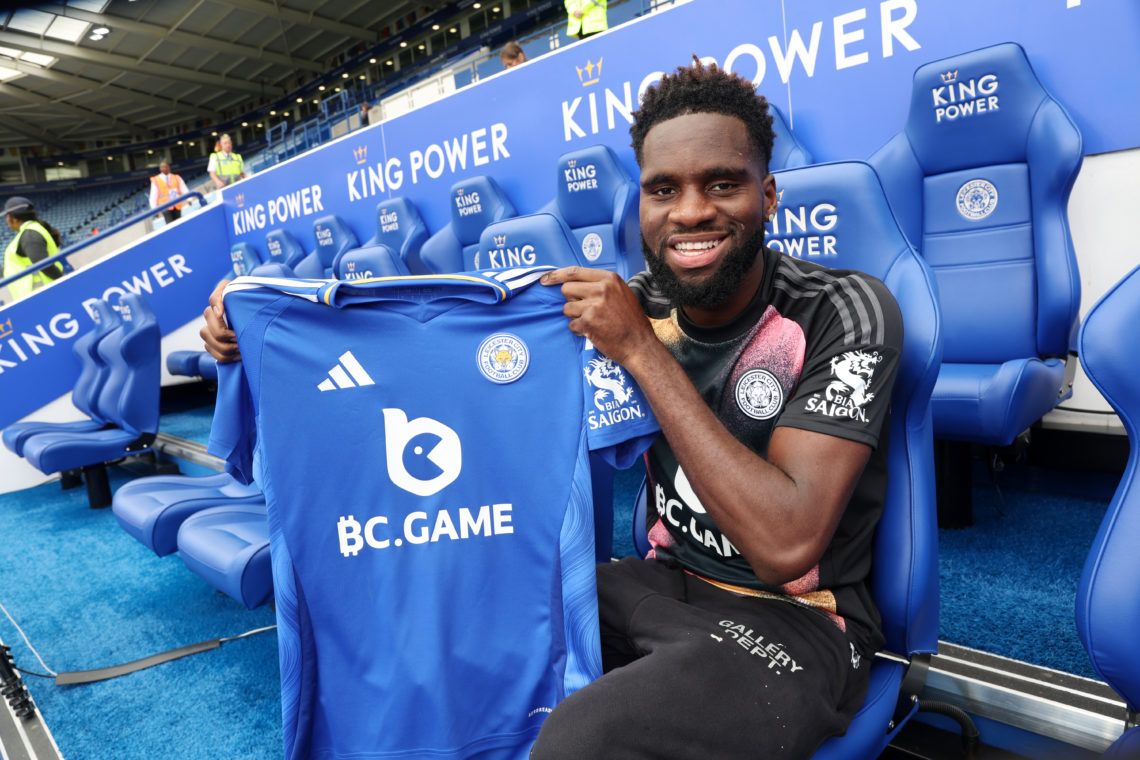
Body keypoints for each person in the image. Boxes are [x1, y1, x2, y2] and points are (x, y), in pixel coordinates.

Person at [200, 60, 904, 758]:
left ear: (769, 195)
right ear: (642, 206)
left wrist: (643, 353)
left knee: (577, 741)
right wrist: (258, 330)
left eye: (721, 184)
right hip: (660, 583)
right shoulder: (630, 306)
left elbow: (786, 547)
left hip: (798, 624)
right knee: (461, 627)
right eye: (665, 190)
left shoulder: (845, 309)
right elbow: (433, 354)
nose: (690, 211)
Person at [3, 196, 64, 302]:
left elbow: (44, 265)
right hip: (40, 296)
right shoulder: (30, 231)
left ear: (12, 218)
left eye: (6, 217)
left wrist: (66, 282)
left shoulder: (29, 235)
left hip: (42, 296)